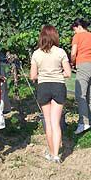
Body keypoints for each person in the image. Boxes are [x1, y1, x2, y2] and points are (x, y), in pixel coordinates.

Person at [30, 25, 71, 163]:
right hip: (58, 86)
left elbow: (32, 76)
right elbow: (68, 73)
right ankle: (56, 155)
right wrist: (57, 73)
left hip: (43, 87)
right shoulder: (61, 52)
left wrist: (43, 74)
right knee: (56, 122)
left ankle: (51, 151)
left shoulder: (36, 54)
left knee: (47, 122)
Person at [70, 18, 91, 134]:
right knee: (89, 97)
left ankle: (83, 123)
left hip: (83, 65)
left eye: (74, 30)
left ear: (79, 27)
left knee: (80, 95)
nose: (74, 32)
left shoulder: (78, 36)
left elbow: (73, 53)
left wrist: (72, 62)